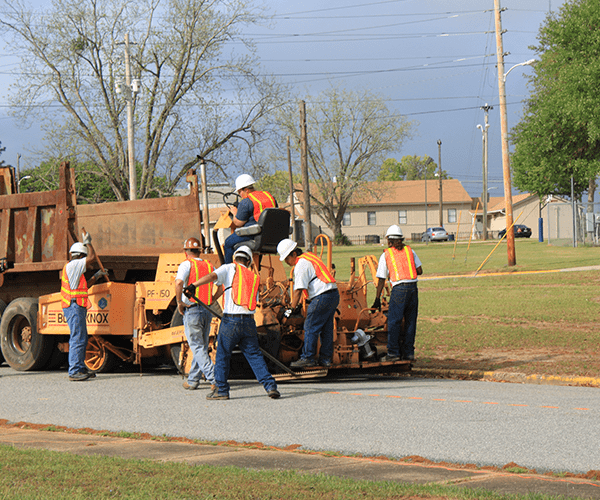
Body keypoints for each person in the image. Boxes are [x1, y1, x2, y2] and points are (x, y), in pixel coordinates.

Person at [185, 245, 280, 400]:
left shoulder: (229, 268)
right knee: (254, 355)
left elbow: (212, 277)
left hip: (231, 321)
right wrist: (213, 299)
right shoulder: (253, 277)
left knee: (222, 355)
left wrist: (193, 285)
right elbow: (229, 289)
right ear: (248, 261)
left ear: (234, 257)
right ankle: (270, 387)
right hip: (249, 322)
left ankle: (221, 390)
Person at [277, 239, 340, 369]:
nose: (287, 263)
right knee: (326, 328)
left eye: (287, 259)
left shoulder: (300, 265)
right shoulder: (309, 257)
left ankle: (308, 358)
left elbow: (298, 290)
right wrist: (300, 304)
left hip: (321, 297)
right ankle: (325, 359)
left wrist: (291, 309)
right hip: (333, 294)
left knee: (310, 326)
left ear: (293, 254)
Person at [175, 237, 221, 391]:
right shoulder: (209, 265)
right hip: (206, 310)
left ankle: (214, 378)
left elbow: (179, 283)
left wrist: (179, 302)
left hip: (192, 310)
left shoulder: (186, 264)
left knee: (196, 347)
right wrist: (213, 299)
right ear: (200, 251)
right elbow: (220, 286)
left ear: (186, 252)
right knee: (200, 346)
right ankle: (193, 380)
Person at [372, 224, 423, 362]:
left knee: (394, 321)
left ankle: (393, 353)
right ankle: (408, 353)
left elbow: (381, 279)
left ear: (390, 241)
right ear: (400, 239)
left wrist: (377, 298)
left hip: (399, 289)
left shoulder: (386, 254)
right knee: (410, 321)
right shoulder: (410, 251)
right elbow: (419, 271)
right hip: (413, 288)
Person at [61, 232, 106, 381]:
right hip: (74, 307)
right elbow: (92, 257)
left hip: (76, 306)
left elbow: (85, 287)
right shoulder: (74, 265)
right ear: (80, 256)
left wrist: (97, 276)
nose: (89, 263)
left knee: (81, 338)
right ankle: (74, 371)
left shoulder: (74, 271)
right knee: (77, 339)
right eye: (85, 258)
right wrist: (88, 242)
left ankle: (79, 368)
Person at [223, 174, 277, 264]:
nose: (240, 195)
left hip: (254, 235)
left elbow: (238, 223)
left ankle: (228, 269)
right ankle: (257, 268)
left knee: (228, 243)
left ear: (246, 190)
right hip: (271, 236)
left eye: (239, 192)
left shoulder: (246, 202)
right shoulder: (270, 197)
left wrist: (235, 213)